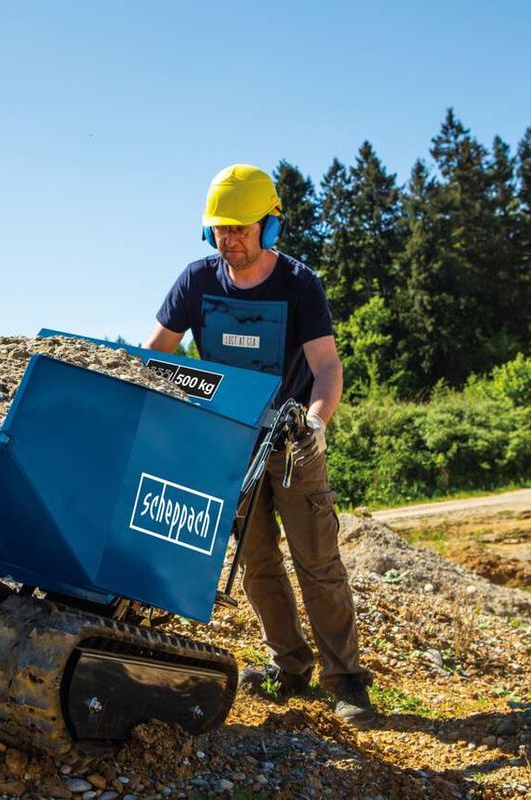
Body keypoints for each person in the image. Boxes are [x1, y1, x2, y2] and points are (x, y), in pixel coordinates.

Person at [142, 164, 375, 725]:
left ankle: (346, 679)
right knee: (256, 560)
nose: (229, 240)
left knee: (317, 561)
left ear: (269, 227)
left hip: (293, 442)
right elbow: (154, 356)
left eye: (241, 229)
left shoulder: (298, 283)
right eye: (221, 229)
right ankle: (289, 666)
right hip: (231, 443)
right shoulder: (196, 282)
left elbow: (327, 367)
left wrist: (316, 423)